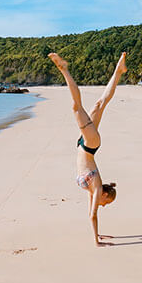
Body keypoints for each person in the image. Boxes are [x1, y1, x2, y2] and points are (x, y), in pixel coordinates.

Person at [48, 51, 126, 246]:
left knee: (100, 103)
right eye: (106, 203)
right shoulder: (98, 189)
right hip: (90, 144)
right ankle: (64, 70)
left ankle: (119, 70)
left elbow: (89, 213)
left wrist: (98, 235)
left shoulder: (93, 191)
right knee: (76, 108)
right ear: (106, 195)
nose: (103, 205)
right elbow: (93, 216)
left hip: (85, 144)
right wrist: (96, 241)